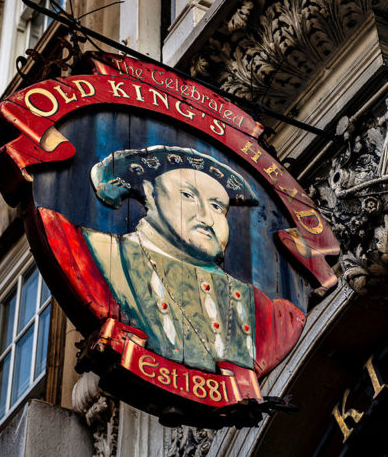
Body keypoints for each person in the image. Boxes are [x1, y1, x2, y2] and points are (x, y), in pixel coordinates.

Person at [82, 145, 293, 374]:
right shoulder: (96, 253)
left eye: (216, 206)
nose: (207, 217)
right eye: (188, 195)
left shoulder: (263, 309)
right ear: (150, 193)